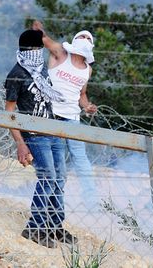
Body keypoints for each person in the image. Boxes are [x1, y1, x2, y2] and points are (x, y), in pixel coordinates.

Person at [5, 29, 75, 248]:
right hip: (34, 135)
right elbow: (9, 113)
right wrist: (20, 143)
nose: (38, 53)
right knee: (47, 178)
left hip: (51, 131)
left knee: (59, 179)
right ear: (28, 50)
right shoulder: (16, 74)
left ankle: (55, 225)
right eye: (36, 49)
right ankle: (34, 227)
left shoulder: (41, 70)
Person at [32, 20, 98, 208]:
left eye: (88, 38)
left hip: (72, 117)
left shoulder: (88, 69)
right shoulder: (61, 53)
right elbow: (44, 39)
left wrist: (87, 107)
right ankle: (53, 199)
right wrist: (38, 29)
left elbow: (82, 94)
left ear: (91, 45)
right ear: (75, 39)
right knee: (54, 159)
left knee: (80, 157)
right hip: (52, 115)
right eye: (81, 36)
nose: (84, 39)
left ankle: (91, 200)